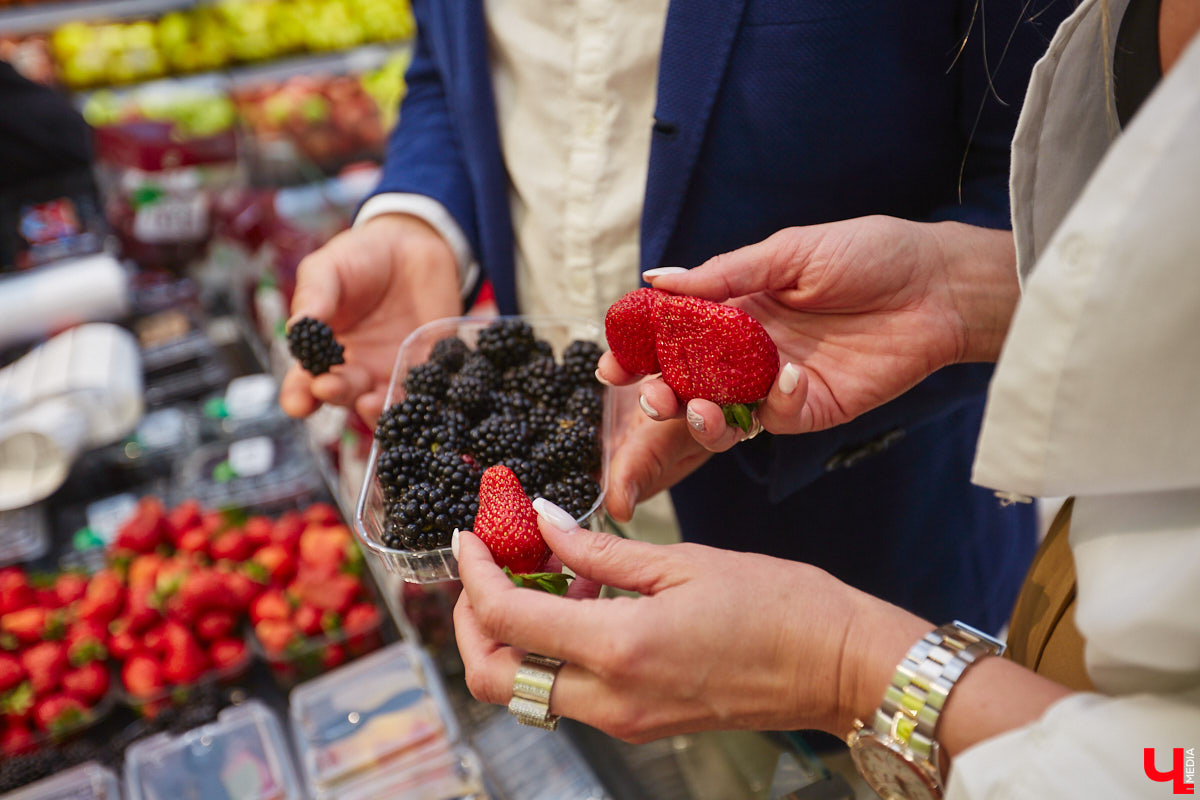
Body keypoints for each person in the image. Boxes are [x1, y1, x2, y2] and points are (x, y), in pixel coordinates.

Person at [452, 0, 1200, 795]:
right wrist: (965, 287)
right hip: (1052, 639)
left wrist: (842, 664)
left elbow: (1170, 772)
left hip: (923, 600)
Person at [280, 0, 1073, 634]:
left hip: (864, 570)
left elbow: (1059, 171)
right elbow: (446, 70)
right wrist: (418, 222)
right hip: (553, 533)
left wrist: (957, 295)